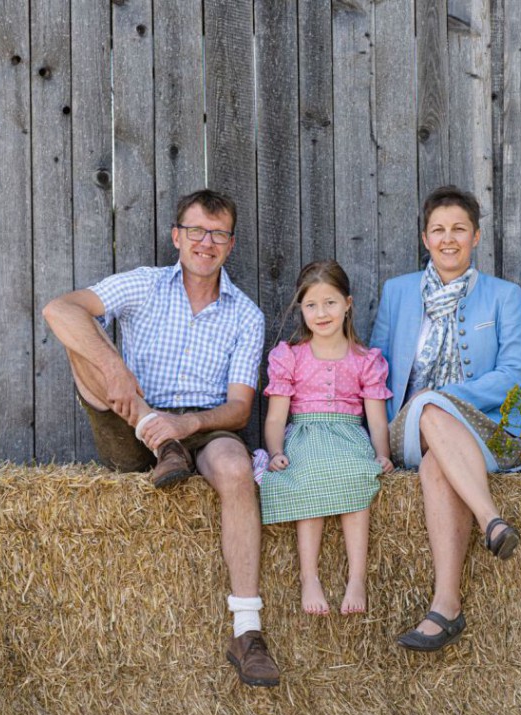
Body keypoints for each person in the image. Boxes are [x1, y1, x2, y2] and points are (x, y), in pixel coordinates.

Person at [42, 189, 279, 688]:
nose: (206, 242)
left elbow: (238, 410)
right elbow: (58, 310)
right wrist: (119, 374)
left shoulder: (246, 315)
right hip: (130, 418)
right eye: (196, 231)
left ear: (230, 245)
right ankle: (155, 435)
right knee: (81, 341)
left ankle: (247, 631)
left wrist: (186, 426)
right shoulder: (145, 285)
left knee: (237, 470)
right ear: (177, 236)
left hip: (202, 430)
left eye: (217, 234)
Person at [370, 185, 521, 651]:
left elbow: (515, 375)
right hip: (408, 427)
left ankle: (445, 608)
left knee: (438, 459)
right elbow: (377, 376)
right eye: (438, 230)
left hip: (487, 429)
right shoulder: (398, 293)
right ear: (425, 238)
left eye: (459, 229)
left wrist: (445, 398)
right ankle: (491, 520)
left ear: (476, 236)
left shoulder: (504, 297)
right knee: (429, 410)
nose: (448, 238)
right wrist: (376, 445)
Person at [260, 261, 394, 616]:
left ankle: (357, 577)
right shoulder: (290, 356)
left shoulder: (366, 360)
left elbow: (377, 420)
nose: (321, 313)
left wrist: (382, 454)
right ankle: (309, 576)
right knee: (308, 474)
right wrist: (275, 452)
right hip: (306, 433)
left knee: (358, 476)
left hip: (349, 435)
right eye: (311, 305)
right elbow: (276, 417)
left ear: (348, 303)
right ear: (300, 309)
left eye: (330, 303)